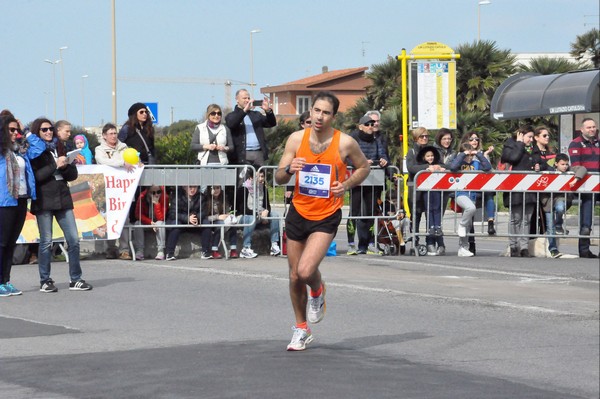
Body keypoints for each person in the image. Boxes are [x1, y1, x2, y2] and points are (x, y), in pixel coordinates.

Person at [275, 91, 369, 351]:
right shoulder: (296, 139)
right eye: (316, 110)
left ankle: (317, 290)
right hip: (298, 211)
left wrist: (346, 185)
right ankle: (301, 328)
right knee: (294, 276)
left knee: (305, 271)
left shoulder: (344, 143)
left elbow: (364, 167)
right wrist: (288, 169)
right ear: (311, 111)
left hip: (326, 214)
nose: (319, 116)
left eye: (325, 112)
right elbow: (278, 177)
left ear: (333, 116)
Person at [29, 118, 92, 292]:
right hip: (44, 199)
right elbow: (36, 177)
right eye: (44, 130)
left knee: (73, 239)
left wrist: (64, 166)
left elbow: (72, 175)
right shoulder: (34, 151)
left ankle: (76, 279)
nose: (49, 132)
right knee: (46, 242)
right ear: (37, 132)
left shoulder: (60, 147)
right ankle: (45, 280)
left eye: (50, 129)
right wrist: (54, 165)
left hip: (63, 197)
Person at [0, 115, 45, 297]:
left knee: (11, 243)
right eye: (11, 130)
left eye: (16, 129)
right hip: (4, 201)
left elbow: (39, 147)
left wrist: (25, 129)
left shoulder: (20, 150)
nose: (15, 133)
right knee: (2, 243)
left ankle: (6, 280)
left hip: (20, 199)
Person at [346, 115, 389, 256]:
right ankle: (351, 244)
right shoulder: (353, 140)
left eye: (372, 124)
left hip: (373, 180)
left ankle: (369, 243)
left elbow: (383, 155)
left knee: (371, 212)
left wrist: (383, 161)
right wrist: (361, 163)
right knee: (354, 212)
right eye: (367, 124)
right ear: (360, 126)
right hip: (356, 180)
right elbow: (346, 158)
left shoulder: (377, 140)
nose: (371, 126)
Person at [501, 125, 546, 258]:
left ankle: (524, 247)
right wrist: (520, 143)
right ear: (520, 135)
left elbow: (541, 161)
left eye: (532, 137)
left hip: (530, 189)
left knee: (527, 219)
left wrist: (539, 166)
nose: (531, 140)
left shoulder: (534, 148)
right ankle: (514, 246)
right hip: (515, 189)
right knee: (516, 219)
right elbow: (513, 158)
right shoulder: (511, 144)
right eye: (529, 137)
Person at [95, 123, 137, 259]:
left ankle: (124, 249)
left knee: (124, 218)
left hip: (122, 190)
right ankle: (111, 248)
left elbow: (133, 159)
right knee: (109, 219)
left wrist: (137, 162)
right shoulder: (99, 149)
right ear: (104, 136)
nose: (113, 136)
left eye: (115, 133)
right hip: (108, 189)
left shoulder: (124, 147)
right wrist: (121, 162)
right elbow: (102, 161)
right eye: (110, 134)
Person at [449, 142, 492, 257]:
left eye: (470, 155)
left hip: (472, 195)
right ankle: (461, 225)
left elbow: (487, 168)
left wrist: (478, 154)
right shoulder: (459, 163)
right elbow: (452, 167)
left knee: (469, 223)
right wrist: (462, 155)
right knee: (470, 208)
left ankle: (463, 247)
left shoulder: (476, 163)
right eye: (467, 155)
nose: (469, 157)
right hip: (461, 193)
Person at [542, 153, 588, 258]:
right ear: (556, 164)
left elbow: (583, 168)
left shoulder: (570, 170)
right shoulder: (549, 170)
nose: (565, 166)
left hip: (561, 198)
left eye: (566, 164)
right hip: (548, 201)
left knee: (560, 208)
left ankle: (559, 225)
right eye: (562, 164)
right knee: (550, 226)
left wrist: (576, 179)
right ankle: (553, 249)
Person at [406, 127, 444, 249]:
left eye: (426, 136)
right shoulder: (411, 152)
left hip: (431, 188)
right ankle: (414, 240)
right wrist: (426, 168)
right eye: (422, 136)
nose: (425, 138)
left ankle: (430, 242)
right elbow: (411, 167)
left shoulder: (433, 151)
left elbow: (442, 163)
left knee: (430, 214)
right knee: (416, 214)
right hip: (416, 188)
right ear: (416, 138)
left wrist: (438, 167)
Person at [568, 117, 599, 258]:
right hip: (586, 186)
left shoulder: (598, 143)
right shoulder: (575, 144)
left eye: (594, 127)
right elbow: (576, 166)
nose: (592, 129)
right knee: (586, 221)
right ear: (582, 129)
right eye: (589, 127)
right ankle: (584, 250)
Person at [225, 89, 276, 167]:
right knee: (244, 178)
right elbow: (232, 123)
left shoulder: (256, 115)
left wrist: (268, 111)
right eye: (244, 98)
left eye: (248, 98)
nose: (247, 100)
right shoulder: (231, 115)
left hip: (258, 153)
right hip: (242, 154)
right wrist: (244, 110)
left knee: (259, 177)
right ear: (237, 100)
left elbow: (271, 123)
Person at [236, 169, 281, 258]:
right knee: (251, 218)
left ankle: (274, 244)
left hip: (260, 215)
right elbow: (242, 209)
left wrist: (266, 211)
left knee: (275, 215)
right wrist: (259, 214)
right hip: (245, 216)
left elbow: (267, 205)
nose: (261, 179)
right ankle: (246, 248)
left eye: (262, 176)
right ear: (251, 178)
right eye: (258, 177)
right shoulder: (243, 189)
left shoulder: (264, 188)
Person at [415, 145, 445, 255]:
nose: (430, 158)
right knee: (429, 209)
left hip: (436, 190)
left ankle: (437, 226)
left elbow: (446, 166)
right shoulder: (422, 166)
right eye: (428, 156)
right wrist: (427, 168)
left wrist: (441, 168)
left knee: (437, 208)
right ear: (424, 157)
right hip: (426, 191)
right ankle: (431, 226)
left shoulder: (437, 164)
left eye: (432, 156)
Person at [431, 127, 456, 255]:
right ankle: (433, 243)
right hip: (433, 187)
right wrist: (446, 167)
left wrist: (444, 167)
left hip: (446, 188)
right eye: (444, 138)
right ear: (439, 139)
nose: (447, 141)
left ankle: (440, 244)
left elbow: (454, 167)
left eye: (449, 139)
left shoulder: (453, 153)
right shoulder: (433, 151)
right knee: (433, 216)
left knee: (439, 216)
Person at [164, 185, 206, 261]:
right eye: (190, 187)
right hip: (182, 222)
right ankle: (169, 253)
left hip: (195, 222)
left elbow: (203, 212)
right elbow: (172, 213)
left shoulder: (201, 197)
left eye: (195, 187)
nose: (192, 189)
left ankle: (206, 251)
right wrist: (187, 218)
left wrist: (196, 218)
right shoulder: (177, 197)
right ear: (184, 187)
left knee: (206, 222)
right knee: (176, 224)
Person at [200, 185, 238, 259]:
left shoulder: (223, 197)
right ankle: (214, 250)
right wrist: (217, 217)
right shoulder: (205, 199)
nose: (216, 190)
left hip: (222, 220)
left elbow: (226, 210)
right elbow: (204, 217)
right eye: (214, 188)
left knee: (233, 225)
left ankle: (233, 249)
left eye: (218, 188)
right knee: (219, 224)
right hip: (211, 221)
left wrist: (228, 215)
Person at [133, 185, 168, 260]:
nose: (156, 194)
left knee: (160, 224)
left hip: (158, 222)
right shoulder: (142, 197)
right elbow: (138, 214)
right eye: (153, 192)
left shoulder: (164, 197)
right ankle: (139, 251)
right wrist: (150, 222)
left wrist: (157, 204)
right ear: (148, 192)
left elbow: (161, 217)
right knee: (137, 224)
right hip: (147, 221)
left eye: (158, 192)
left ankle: (160, 251)